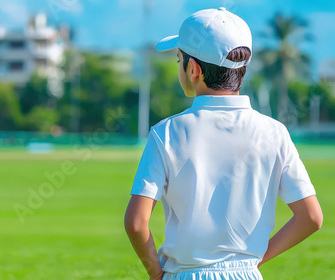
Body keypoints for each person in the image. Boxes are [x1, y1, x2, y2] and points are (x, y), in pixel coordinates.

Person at [124, 7, 323, 280]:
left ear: (192, 69)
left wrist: (156, 273)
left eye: (178, 59)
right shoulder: (275, 132)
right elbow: (311, 217)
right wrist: (250, 263)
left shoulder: (166, 132)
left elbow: (136, 223)